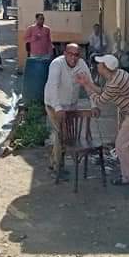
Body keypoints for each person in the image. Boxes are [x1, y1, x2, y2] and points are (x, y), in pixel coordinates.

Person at [79, 54, 129, 185]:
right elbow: (103, 91)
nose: (97, 65)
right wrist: (88, 83)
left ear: (105, 68)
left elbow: (100, 100)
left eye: (100, 64)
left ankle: (128, 177)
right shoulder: (117, 75)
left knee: (121, 145)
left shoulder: (115, 83)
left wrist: (86, 86)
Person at [43, 43, 91, 176]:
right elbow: (53, 86)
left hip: (71, 104)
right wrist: (58, 108)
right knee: (61, 135)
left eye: (76, 55)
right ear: (65, 54)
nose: (73, 58)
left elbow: (89, 85)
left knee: (66, 135)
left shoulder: (81, 64)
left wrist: (94, 105)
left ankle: (55, 162)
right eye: (70, 54)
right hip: (54, 104)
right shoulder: (57, 64)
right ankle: (57, 167)